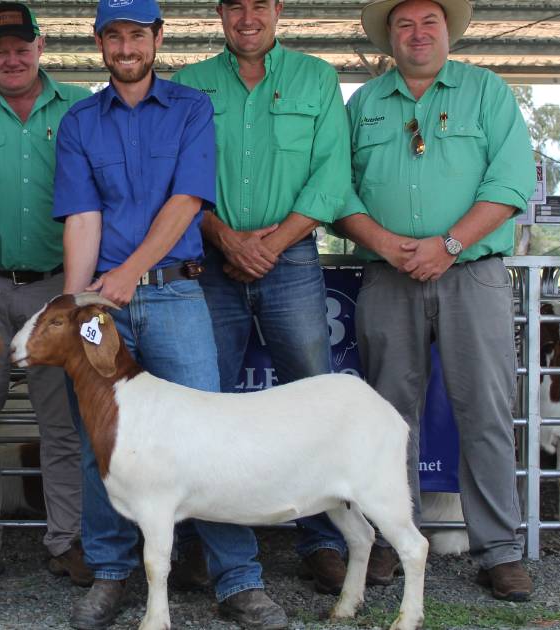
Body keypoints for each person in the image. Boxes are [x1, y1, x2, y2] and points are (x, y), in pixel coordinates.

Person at [53, 0, 288, 628]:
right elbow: (82, 219)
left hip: (177, 292)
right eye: (114, 37)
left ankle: (237, 578)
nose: (125, 48)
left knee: (207, 438)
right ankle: (110, 574)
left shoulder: (190, 109)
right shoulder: (78, 121)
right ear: (98, 42)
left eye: (137, 35)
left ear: (158, 38)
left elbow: (187, 202)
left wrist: (130, 272)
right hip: (103, 303)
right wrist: (78, 311)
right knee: (100, 441)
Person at [337, 0, 535, 602]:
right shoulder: (364, 105)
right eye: (404, 24)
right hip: (388, 277)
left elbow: (510, 183)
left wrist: (448, 245)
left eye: (429, 23)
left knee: (486, 412)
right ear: (389, 37)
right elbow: (335, 189)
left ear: (448, 31)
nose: (417, 34)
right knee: (388, 420)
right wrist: (385, 243)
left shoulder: (488, 92)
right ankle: (393, 544)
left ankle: (499, 551)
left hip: (471, 272)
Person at [170, 0, 354, 595]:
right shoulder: (190, 83)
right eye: (235, 6)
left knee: (311, 403)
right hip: (210, 260)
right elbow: (176, 179)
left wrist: (270, 244)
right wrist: (223, 236)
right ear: (220, 14)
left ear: (278, 10)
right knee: (208, 405)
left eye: (259, 5)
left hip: (293, 259)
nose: (248, 17)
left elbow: (332, 176)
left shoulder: (317, 78)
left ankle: (323, 540)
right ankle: (208, 543)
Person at [0, 1, 92, 587]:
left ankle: (68, 541)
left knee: (61, 422)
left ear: (41, 47)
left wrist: (79, 292)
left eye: (21, 46)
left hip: (56, 289)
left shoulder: (82, 109)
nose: (11, 58)